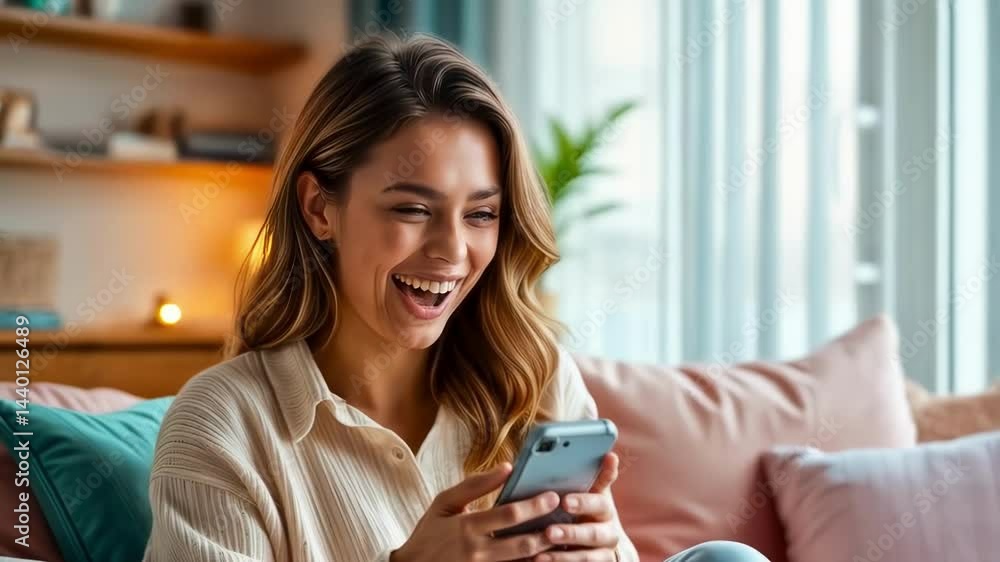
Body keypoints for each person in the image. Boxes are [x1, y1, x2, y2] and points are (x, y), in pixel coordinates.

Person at [142, 33, 769, 562]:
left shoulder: (535, 377)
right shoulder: (222, 426)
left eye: (480, 214)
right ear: (319, 209)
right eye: (413, 209)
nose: (452, 251)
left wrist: (601, 551)